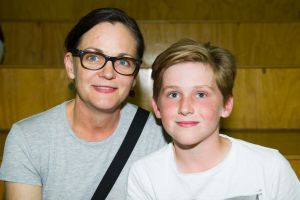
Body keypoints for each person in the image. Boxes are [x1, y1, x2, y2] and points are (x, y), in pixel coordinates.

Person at [0, 8, 167, 200]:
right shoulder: (28, 139)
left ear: (135, 75)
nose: (108, 73)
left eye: (123, 61)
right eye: (93, 57)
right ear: (71, 66)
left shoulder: (159, 137)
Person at [127, 39, 300, 200]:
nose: (185, 108)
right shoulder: (145, 175)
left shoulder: (270, 167)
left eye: (201, 94)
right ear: (157, 107)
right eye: (173, 94)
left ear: (226, 105)